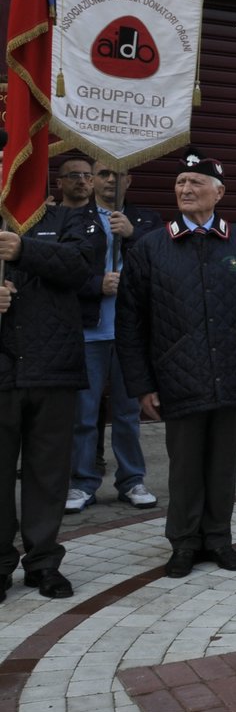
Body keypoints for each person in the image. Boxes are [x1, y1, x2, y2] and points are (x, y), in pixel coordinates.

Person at [118, 150, 236, 578]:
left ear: (219, 192)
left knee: (223, 464)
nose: (186, 190)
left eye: (196, 183)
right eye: (180, 184)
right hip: (177, 378)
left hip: (234, 375)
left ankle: (219, 539)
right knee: (185, 466)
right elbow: (130, 322)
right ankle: (184, 542)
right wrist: (141, 383)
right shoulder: (152, 248)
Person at [0, 187, 100, 600]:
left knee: (48, 473)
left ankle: (43, 562)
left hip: (52, 366)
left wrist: (23, 249)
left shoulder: (67, 219)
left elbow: (80, 266)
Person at [67, 159, 158, 513]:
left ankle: (132, 479)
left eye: (117, 174)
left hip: (130, 333)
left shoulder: (148, 221)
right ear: (91, 181)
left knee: (126, 413)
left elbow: (162, 265)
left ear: (129, 180)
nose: (109, 180)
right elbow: (63, 272)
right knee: (84, 414)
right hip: (89, 331)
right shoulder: (73, 218)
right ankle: (82, 483)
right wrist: (96, 285)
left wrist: (132, 236)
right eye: (102, 174)